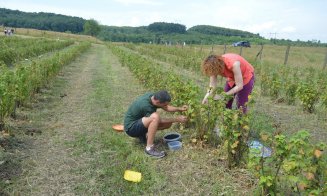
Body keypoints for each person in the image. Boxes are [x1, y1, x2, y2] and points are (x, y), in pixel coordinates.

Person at [124, 90, 188, 158]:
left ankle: (142, 135)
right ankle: (149, 148)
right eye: (164, 104)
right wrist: (176, 119)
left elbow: (167, 107)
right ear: (157, 102)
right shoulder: (146, 105)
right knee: (155, 117)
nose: (165, 106)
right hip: (131, 129)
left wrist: (180, 109)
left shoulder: (154, 97)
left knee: (168, 123)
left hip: (139, 123)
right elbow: (159, 121)